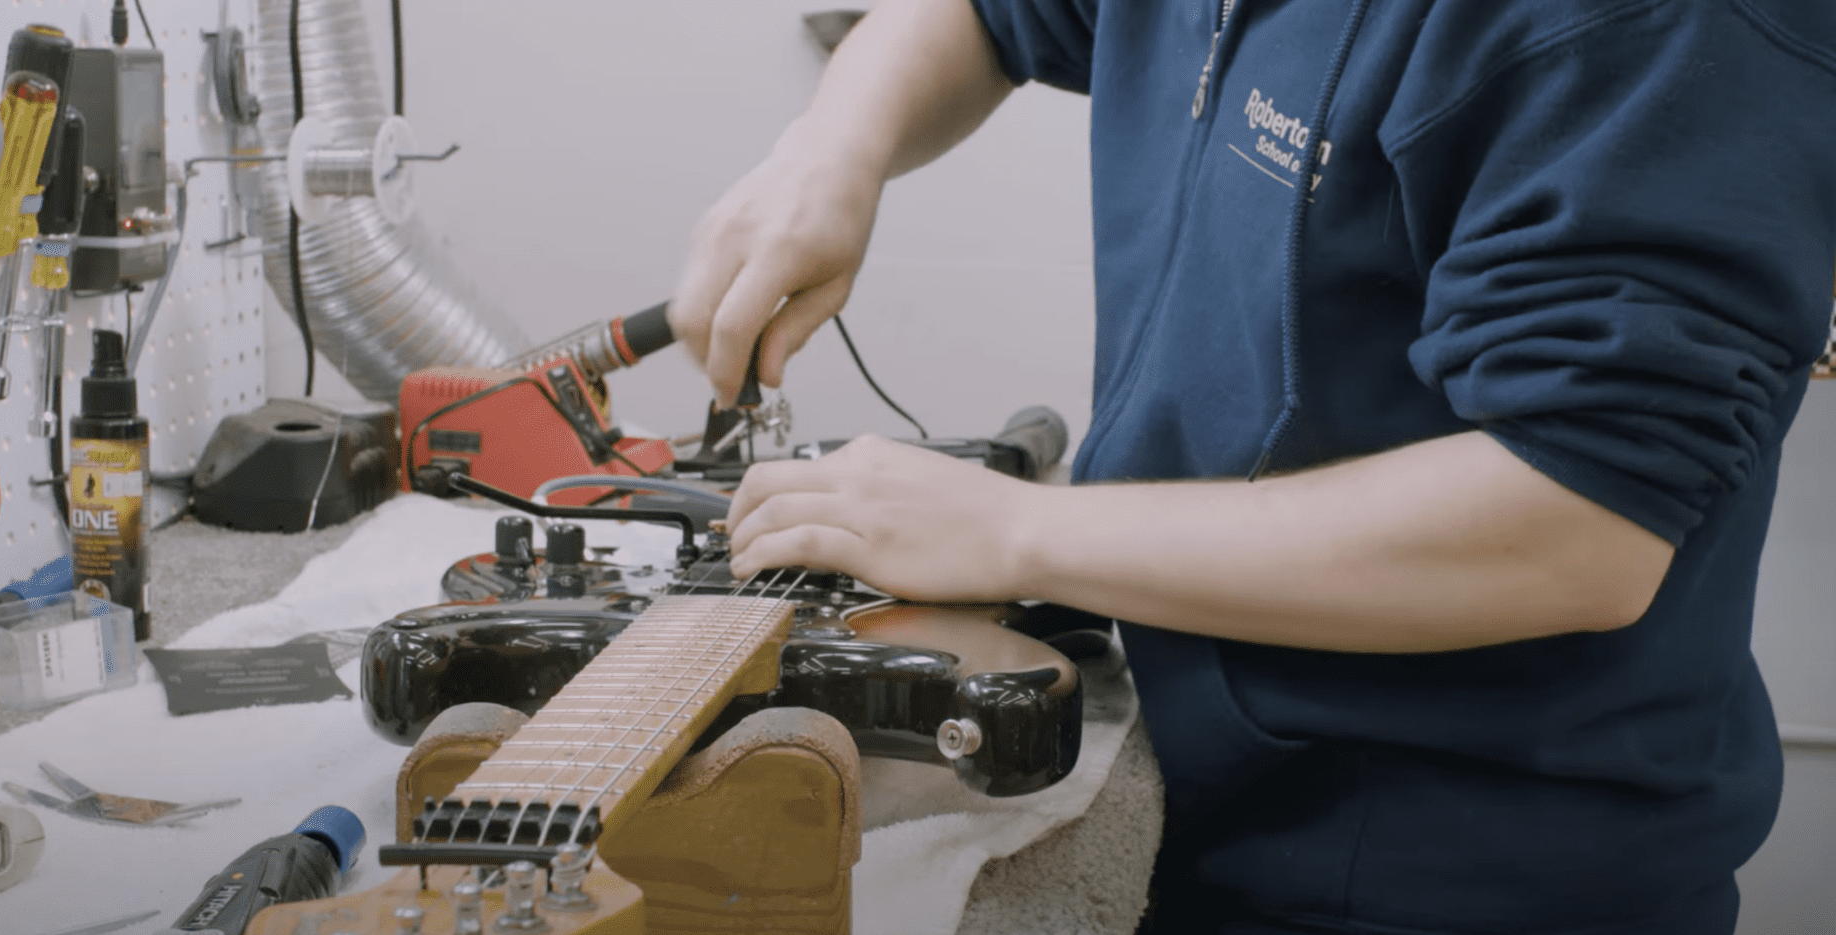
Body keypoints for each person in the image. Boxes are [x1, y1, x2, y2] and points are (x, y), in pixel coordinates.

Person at [665, 0, 1836, 932]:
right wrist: (829, 149)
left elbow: (1574, 522)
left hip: (1448, 869)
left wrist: (1014, 531)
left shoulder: (1671, 25)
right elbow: (985, 12)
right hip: (1186, 786)